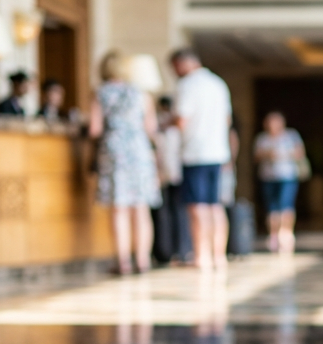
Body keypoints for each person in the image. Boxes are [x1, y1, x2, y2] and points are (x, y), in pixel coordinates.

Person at [90, 50, 160, 274]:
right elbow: (151, 129)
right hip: (139, 152)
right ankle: (143, 260)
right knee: (140, 208)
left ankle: (123, 262)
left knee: (119, 208)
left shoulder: (101, 93)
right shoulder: (141, 93)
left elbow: (95, 129)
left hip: (114, 151)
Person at [170, 48, 233, 270]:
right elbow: (227, 120)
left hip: (195, 153)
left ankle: (201, 256)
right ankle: (218, 255)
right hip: (217, 152)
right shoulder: (218, 83)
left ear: (182, 63)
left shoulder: (187, 85)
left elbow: (181, 121)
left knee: (197, 206)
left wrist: (165, 123)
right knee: (214, 205)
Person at [253, 111, 305, 253]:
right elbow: (256, 156)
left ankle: (286, 233)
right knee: (272, 207)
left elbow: (300, 153)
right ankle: (273, 235)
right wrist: (267, 154)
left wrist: (284, 154)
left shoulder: (291, 136)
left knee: (286, 205)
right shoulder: (262, 138)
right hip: (268, 177)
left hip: (287, 176)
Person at [153, 96, 193, 264]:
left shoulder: (170, 128)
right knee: (174, 212)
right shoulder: (164, 127)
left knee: (175, 212)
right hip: (173, 174)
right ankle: (172, 251)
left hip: (172, 174)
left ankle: (179, 250)